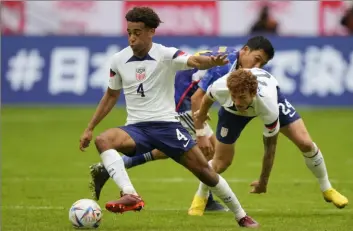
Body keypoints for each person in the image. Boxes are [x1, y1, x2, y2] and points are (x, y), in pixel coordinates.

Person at [79, 6, 259, 228]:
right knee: (103, 140)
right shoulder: (118, 60)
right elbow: (111, 95)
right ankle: (130, 195)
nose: (132, 38)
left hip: (168, 127)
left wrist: (211, 62)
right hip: (136, 129)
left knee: (206, 172)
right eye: (129, 32)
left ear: (151, 32)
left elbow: (193, 60)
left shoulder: (165, 54)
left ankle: (241, 215)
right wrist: (90, 127)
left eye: (137, 32)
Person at [188, 67, 349, 216]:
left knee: (305, 143)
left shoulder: (268, 105)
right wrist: (202, 115)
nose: (237, 101)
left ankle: (327, 188)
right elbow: (207, 98)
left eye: (242, 97)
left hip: (270, 99)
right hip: (232, 114)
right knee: (221, 162)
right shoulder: (221, 88)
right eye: (234, 96)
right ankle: (201, 196)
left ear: (253, 93)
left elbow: (270, 148)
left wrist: (263, 181)